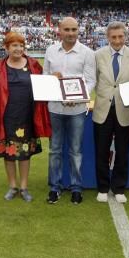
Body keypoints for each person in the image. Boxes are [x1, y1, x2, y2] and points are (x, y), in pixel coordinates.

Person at [0, 32, 51, 202]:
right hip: (6, 117)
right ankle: (12, 186)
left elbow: (44, 86)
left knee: (25, 153)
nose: (18, 49)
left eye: (21, 45)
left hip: (27, 115)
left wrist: (54, 79)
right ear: (6, 47)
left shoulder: (34, 65)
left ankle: (24, 187)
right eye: (14, 45)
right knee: (8, 153)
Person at [43, 16, 96, 205]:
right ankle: (54, 188)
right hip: (55, 108)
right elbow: (45, 78)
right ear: (59, 30)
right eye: (67, 30)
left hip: (77, 110)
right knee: (55, 150)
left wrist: (79, 96)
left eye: (74, 29)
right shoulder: (50, 50)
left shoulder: (87, 53)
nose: (71, 33)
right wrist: (52, 78)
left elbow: (90, 81)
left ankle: (76, 188)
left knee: (75, 150)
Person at [93, 21, 129, 204]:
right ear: (107, 37)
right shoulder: (98, 55)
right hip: (102, 110)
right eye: (113, 37)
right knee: (101, 151)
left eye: (120, 36)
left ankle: (119, 188)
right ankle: (103, 188)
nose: (117, 40)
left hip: (126, 110)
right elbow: (94, 80)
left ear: (125, 36)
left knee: (122, 151)